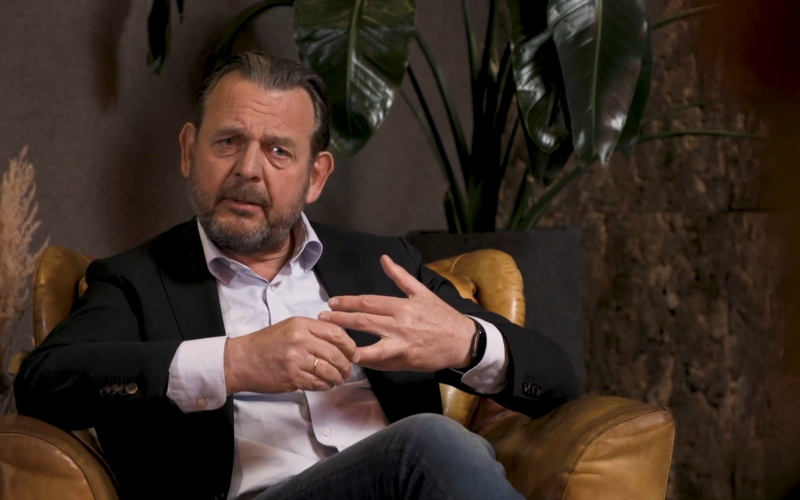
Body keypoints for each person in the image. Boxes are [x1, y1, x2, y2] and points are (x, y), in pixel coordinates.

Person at [15, 52, 579, 500]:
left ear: (315, 176)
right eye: (228, 142)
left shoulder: (382, 265)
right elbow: (44, 384)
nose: (247, 169)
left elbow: (557, 379)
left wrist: (466, 342)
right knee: (428, 443)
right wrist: (234, 362)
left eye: (278, 151)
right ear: (189, 151)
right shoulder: (135, 280)